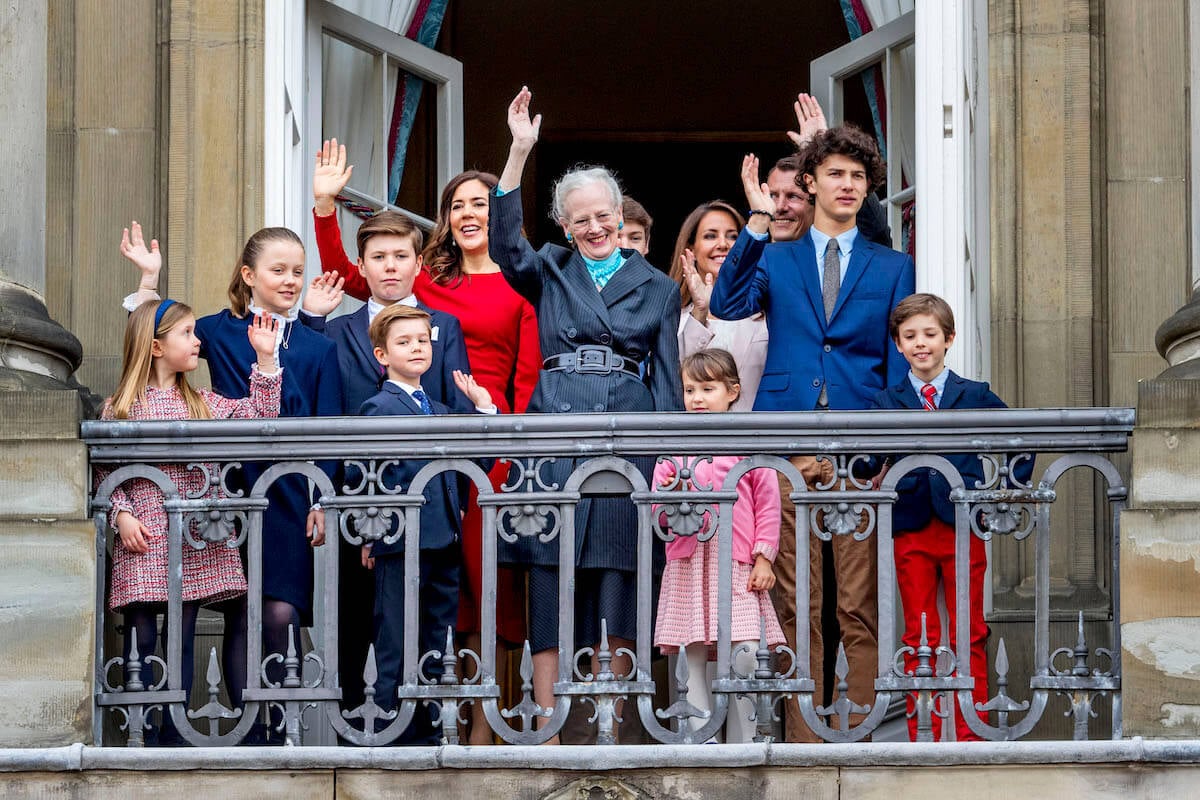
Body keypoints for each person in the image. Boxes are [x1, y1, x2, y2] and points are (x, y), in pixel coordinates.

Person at [310, 146, 538, 742]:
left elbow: (458, 409)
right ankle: (353, 742)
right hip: (357, 508)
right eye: (378, 258)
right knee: (357, 628)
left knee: (422, 629)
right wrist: (324, 207)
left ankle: (413, 734)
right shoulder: (338, 331)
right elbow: (329, 419)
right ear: (365, 267)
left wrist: (484, 418)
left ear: (418, 265)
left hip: (432, 508)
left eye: (401, 257)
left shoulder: (442, 327)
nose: (389, 267)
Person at [709, 125, 915, 738]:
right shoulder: (777, 255)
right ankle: (802, 735)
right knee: (795, 602)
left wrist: (880, 446)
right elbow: (726, 304)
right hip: (787, 445)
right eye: (834, 174)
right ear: (809, 183)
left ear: (867, 188)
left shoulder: (892, 265)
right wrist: (754, 220)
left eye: (857, 176)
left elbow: (897, 361)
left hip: (858, 452)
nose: (846, 185)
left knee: (858, 603)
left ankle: (859, 728)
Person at [491, 86, 683, 741]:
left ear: (619, 217)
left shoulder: (659, 287)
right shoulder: (549, 268)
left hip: (628, 436)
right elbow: (502, 246)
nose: (596, 228)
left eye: (604, 216)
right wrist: (518, 153)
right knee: (550, 577)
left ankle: (617, 727)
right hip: (555, 434)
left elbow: (671, 385)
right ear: (565, 226)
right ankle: (548, 726)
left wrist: (668, 466)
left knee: (620, 576)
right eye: (582, 221)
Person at [122, 222, 341, 740]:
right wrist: (149, 282)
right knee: (223, 606)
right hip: (222, 494)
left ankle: (275, 728)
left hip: (287, 496)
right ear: (249, 275)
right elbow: (151, 335)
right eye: (277, 270)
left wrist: (323, 497)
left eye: (296, 271)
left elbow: (330, 428)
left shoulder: (317, 345)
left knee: (277, 610)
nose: (290, 280)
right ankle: (232, 732)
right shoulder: (216, 331)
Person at [98, 298, 281, 744]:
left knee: (180, 635)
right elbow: (104, 470)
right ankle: (142, 730)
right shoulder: (120, 407)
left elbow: (261, 417)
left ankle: (174, 732)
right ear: (156, 347)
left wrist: (266, 359)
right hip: (142, 535)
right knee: (141, 637)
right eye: (186, 333)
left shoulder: (203, 403)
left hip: (196, 538)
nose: (198, 341)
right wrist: (121, 513)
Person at [868, 293, 1028, 741]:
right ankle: (927, 730)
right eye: (910, 336)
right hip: (910, 526)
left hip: (963, 525)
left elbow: (1021, 437)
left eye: (930, 335)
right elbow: (866, 457)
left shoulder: (973, 394)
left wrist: (1000, 490)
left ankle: (969, 727)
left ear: (949, 339)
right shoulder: (886, 401)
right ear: (899, 345)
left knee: (968, 627)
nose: (921, 344)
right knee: (921, 630)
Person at [358, 303, 497, 743]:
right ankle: (388, 736)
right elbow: (369, 475)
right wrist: (370, 533)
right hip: (401, 541)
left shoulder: (438, 407)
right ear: (382, 355)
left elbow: (473, 467)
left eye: (422, 340)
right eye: (404, 342)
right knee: (396, 641)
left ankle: (430, 732)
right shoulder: (377, 407)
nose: (417, 348)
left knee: (438, 642)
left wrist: (484, 411)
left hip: (443, 541)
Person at [652, 349, 784, 743]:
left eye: (707, 388)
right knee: (690, 654)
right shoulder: (675, 446)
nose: (696, 398)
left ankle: (745, 738)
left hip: (737, 563)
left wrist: (764, 557)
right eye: (690, 389)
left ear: (732, 391)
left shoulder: (746, 441)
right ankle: (702, 740)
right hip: (688, 563)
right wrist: (671, 497)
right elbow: (658, 506)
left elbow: (768, 501)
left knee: (744, 651)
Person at [668, 201, 766, 411]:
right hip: (695, 440)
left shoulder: (766, 313)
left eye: (733, 236)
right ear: (691, 247)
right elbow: (672, 380)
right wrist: (700, 313)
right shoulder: (672, 316)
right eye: (710, 236)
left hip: (758, 438)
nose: (723, 244)